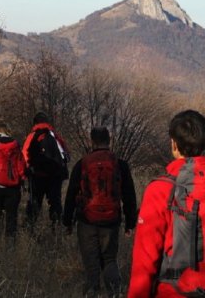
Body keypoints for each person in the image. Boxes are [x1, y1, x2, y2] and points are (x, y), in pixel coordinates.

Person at [128, 110, 205, 297]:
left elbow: (145, 259)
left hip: (173, 291)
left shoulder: (161, 189)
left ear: (174, 144)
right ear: (204, 143)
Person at [63, 126, 137, 297]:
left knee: (91, 261)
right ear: (109, 141)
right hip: (111, 221)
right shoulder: (120, 164)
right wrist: (130, 222)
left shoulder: (82, 164)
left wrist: (68, 222)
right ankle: (114, 293)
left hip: (86, 220)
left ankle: (92, 292)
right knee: (109, 259)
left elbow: (71, 195)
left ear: (92, 141)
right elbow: (129, 195)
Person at [22, 112, 69, 229]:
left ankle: (30, 229)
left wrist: (25, 174)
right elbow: (66, 154)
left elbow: (24, 155)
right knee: (55, 203)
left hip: (37, 175)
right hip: (55, 176)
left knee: (34, 203)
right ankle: (57, 229)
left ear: (35, 123)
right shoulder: (54, 135)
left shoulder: (32, 136)